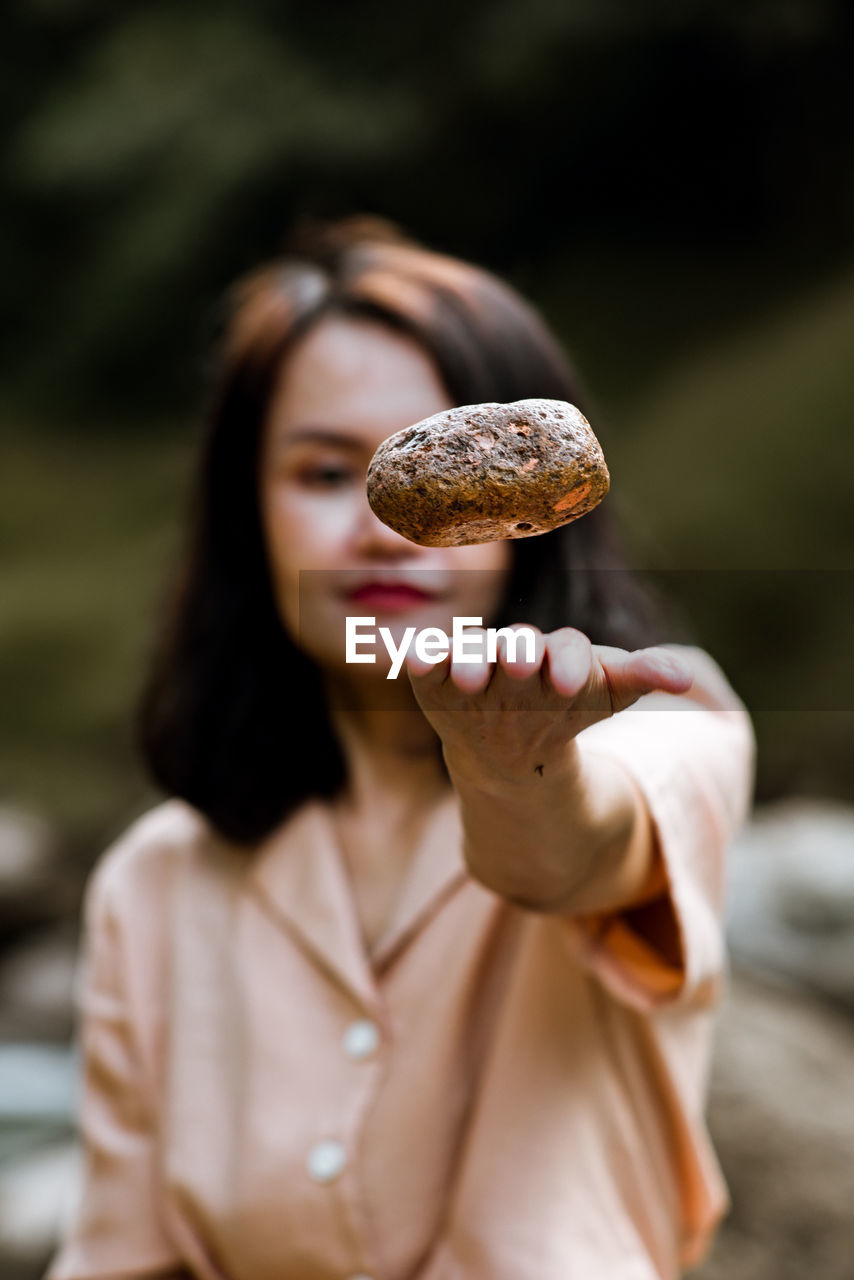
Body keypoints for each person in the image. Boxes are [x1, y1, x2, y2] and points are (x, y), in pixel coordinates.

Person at [47, 217, 755, 1280]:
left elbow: (567, 854)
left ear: (532, 505)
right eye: (326, 473)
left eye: (444, 456)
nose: (382, 533)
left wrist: (511, 761)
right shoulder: (153, 884)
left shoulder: (666, 717)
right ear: (248, 518)